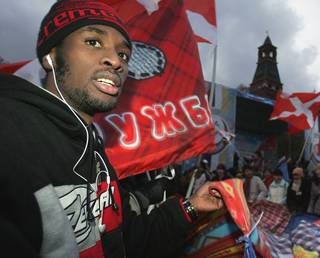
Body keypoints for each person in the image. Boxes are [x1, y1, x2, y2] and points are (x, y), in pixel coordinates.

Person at [0, 1, 223, 257]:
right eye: (93, 42)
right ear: (51, 55)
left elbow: (128, 241)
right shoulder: (10, 135)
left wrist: (191, 206)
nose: (116, 61)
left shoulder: (96, 154)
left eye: (124, 54)